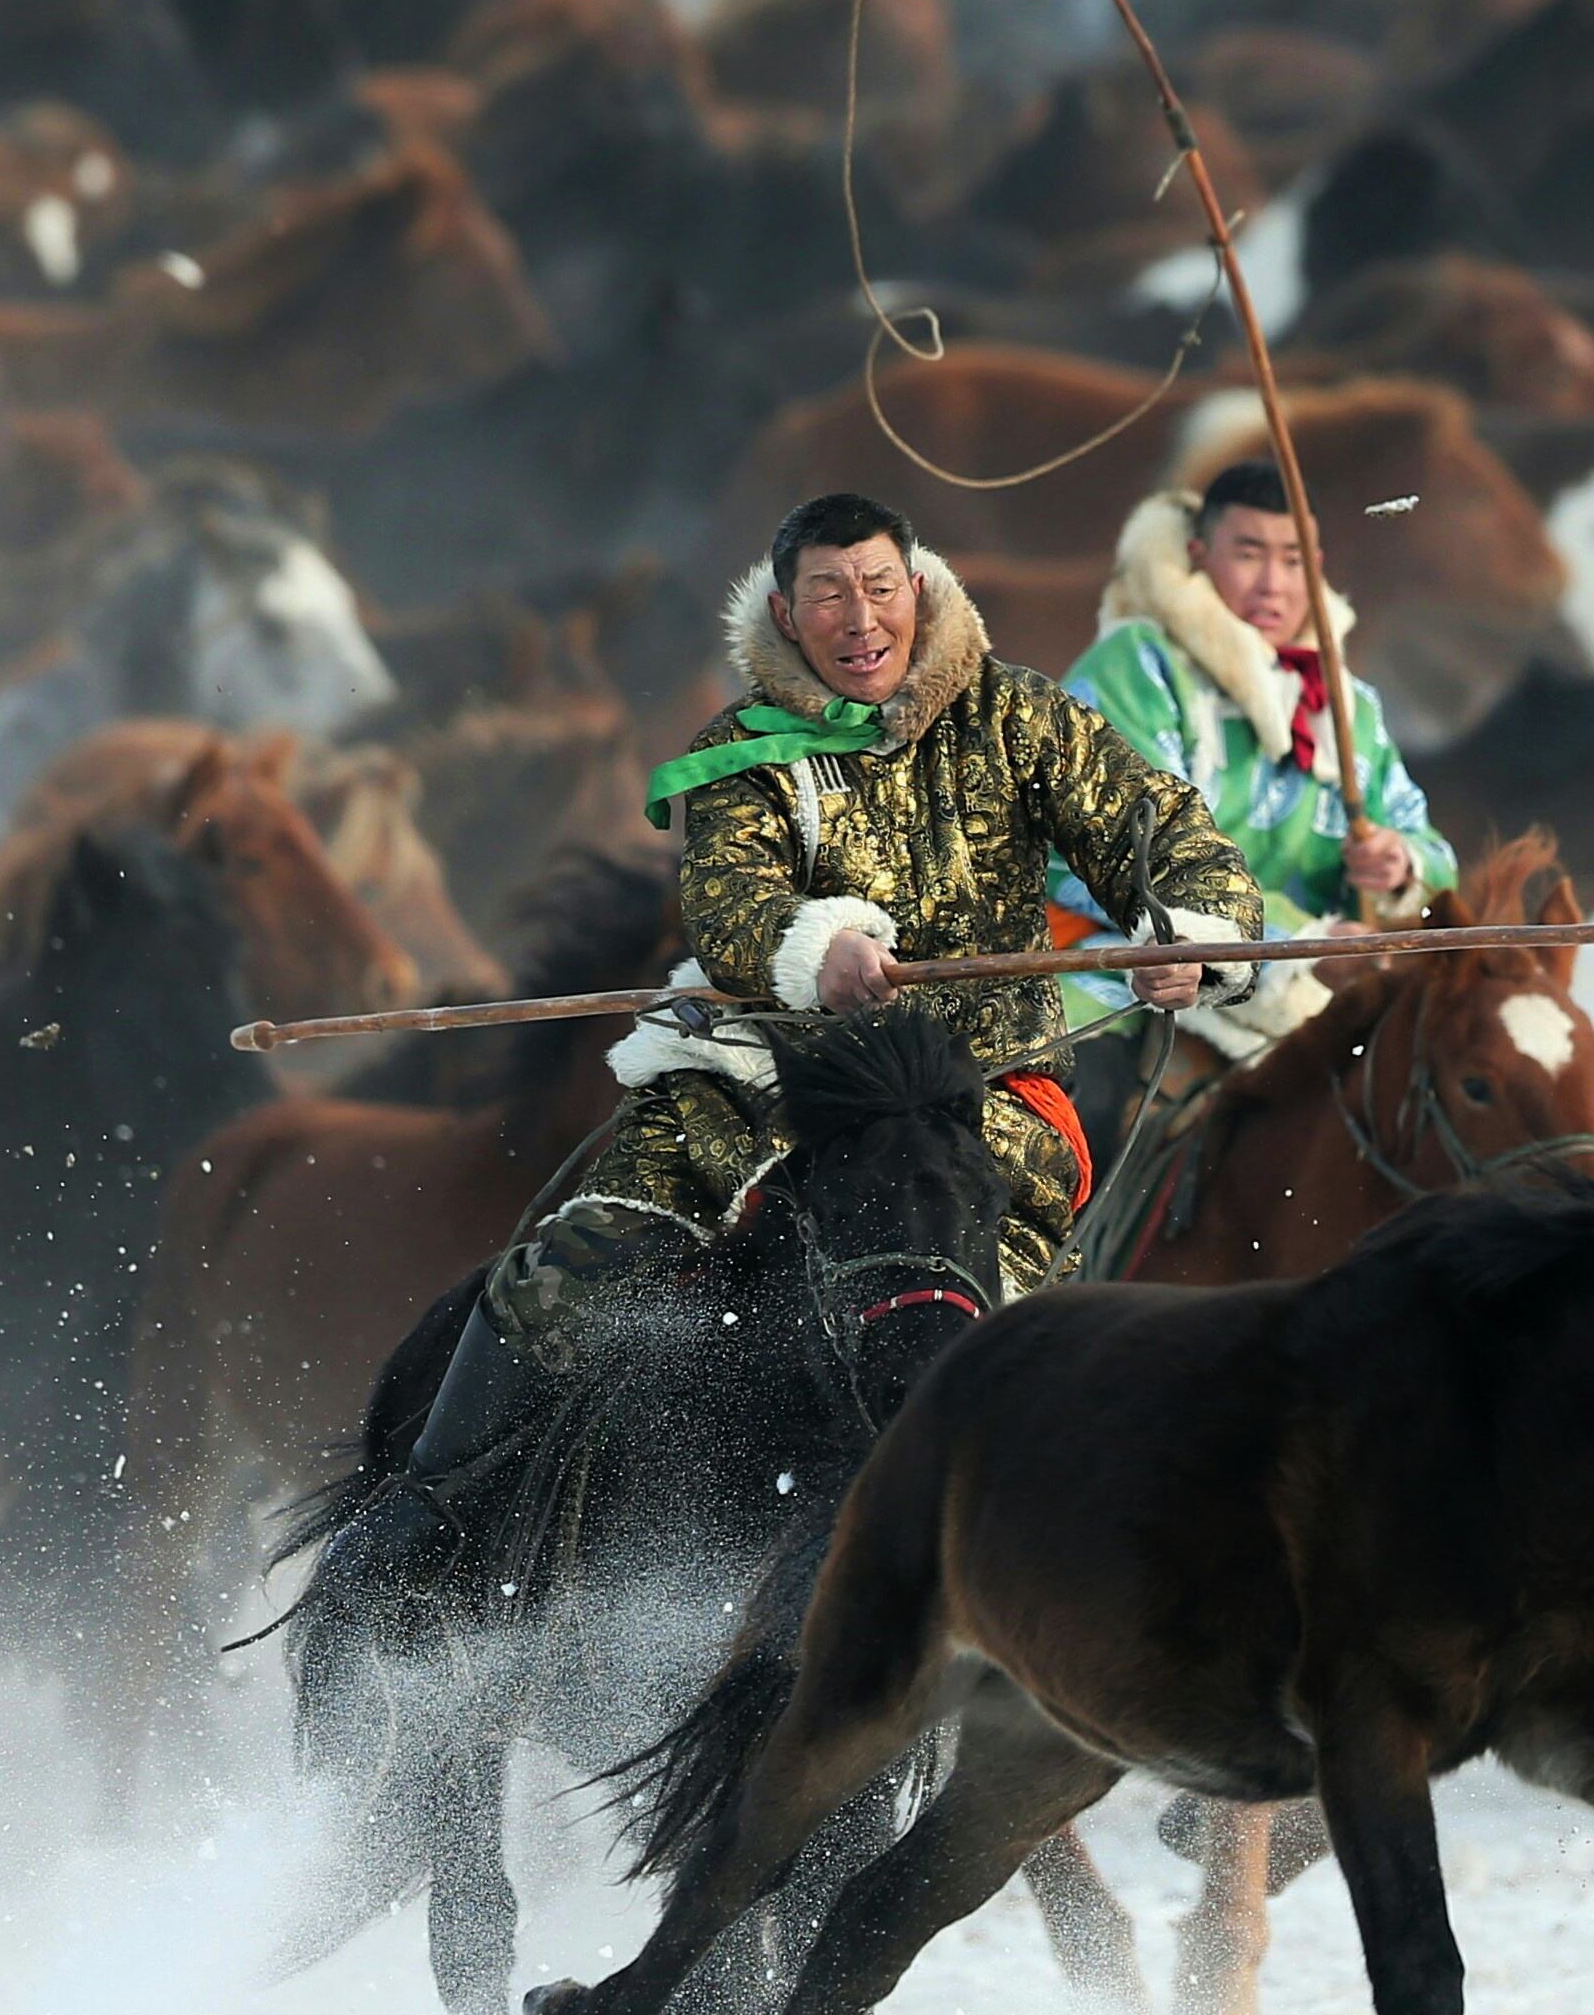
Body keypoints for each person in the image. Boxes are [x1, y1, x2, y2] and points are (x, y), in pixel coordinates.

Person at [302, 490, 1265, 1618]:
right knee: (580, 1254)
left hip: (975, 1089)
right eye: (827, 596)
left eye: (877, 589)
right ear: (784, 611)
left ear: (915, 590)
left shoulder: (1025, 721)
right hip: (764, 1075)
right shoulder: (737, 753)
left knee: (1013, 1309)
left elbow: (1172, 839)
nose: (859, 621)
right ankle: (430, 1513)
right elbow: (731, 907)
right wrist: (819, 948)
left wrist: (1191, 943)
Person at [1053, 462, 1463, 1144]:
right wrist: (1298, 946)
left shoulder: (1349, 704)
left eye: (1293, 560)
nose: (1273, 583)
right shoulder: (1140, 665)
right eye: (1248, 554)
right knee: (1070, 1112)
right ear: (1197, 556)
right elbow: (1130, 858)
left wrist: (1398, 869)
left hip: (1324, 997)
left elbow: (1434, 857)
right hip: (1130, 971)